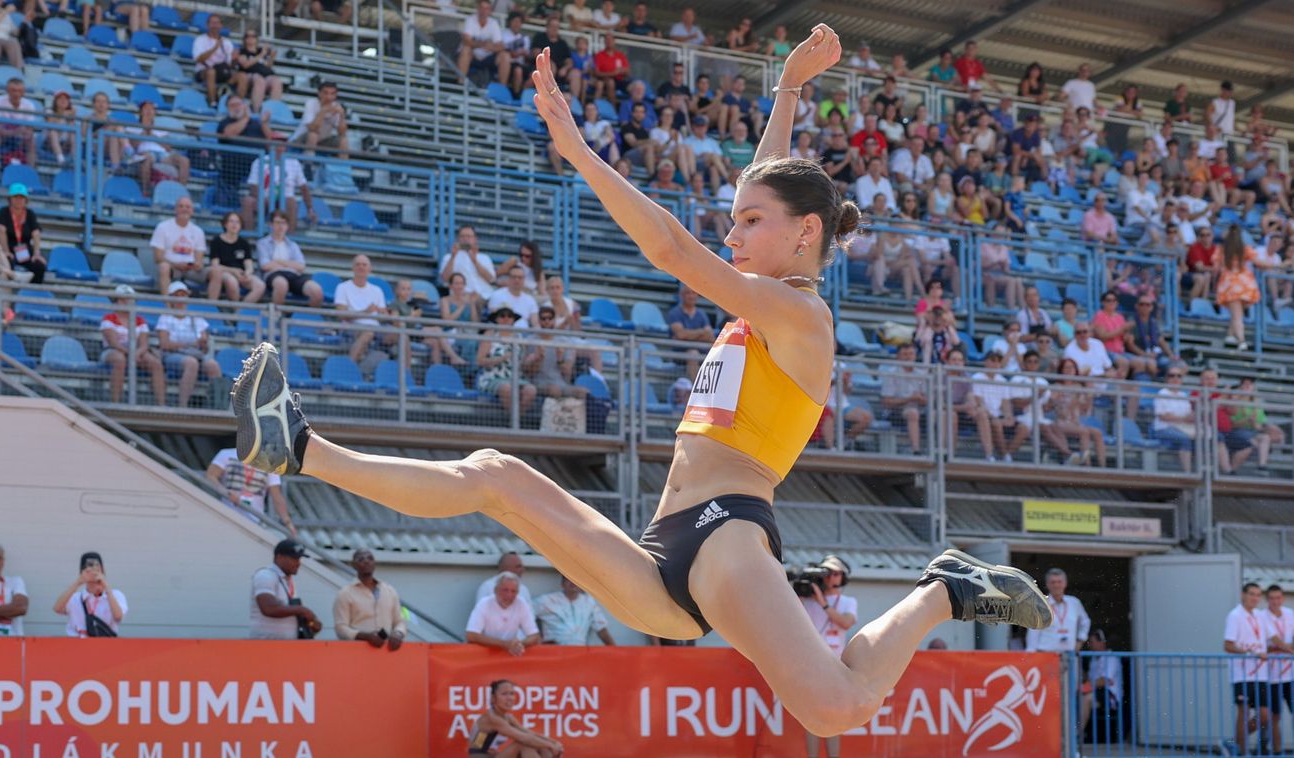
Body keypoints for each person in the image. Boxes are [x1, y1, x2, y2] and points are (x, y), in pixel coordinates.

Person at [228, 27, 1052, 737]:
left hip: (728, 533)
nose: (730, 233)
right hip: (664, 557)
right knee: (494, 478)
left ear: (805, 234)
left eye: (747, 224)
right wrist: (790, 89)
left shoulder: (803, 321)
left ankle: (943, 594)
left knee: (833, 710)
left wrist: (580, 151)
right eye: (731, 221)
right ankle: (297, 447)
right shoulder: (767, 293)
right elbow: (767, 180)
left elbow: (670, 252)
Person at [802, 555, 858, 758]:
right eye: (828, 573)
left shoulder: (848, 601)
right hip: (812, 666)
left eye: (836, 573)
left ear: (843, 577)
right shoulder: (808, 599)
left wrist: (823, 603)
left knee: (834, 717)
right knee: (812, 717)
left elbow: (846, 622)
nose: (831, 577)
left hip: (836, 665)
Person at [157, 281, 223, 407]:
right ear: (171, 298)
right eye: (177, 295)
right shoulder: (165, 318)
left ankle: (217, 406)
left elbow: (203, 345)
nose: (181, 298)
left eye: (183, 294)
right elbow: (165, 344)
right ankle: (183, 406)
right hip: (172, 356)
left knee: (213, 365)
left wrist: (204, 344)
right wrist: (190, 344)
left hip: (194, 354)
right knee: (191, 363)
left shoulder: (196, 318)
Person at [1227, 582, 1273, 756]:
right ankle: (1241, 751)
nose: (1255, 598)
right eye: (1251, 594)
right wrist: (1250, 652)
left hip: (1260, 674)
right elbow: (1228, 645)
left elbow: (1273, 637)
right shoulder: (1235, 615)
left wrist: (1289, 648)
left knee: (1264, 716)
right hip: (1242, 674)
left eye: (1257, 595)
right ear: (1243, 595)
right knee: (1244, 713)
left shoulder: (1260, 615)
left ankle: (1232, 743)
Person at [206, 446, 295, 535]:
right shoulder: (226, 454)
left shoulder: (269, 462)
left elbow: (277, 496)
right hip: (226, 517)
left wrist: (288, 522)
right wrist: (226, 492)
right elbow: (210, 476)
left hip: (254, 521)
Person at [101, 285, 167, 405]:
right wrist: (131, 353)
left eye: (129, 299)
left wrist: (137, 353)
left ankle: (161, 404)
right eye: (123, 299)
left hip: (135, 352)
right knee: (119, 360)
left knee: (155, 364)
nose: (126, 302)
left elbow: (144, 343)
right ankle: (116, 402)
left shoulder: (140, 320)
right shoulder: (108, 318)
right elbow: (113, 343)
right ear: (116, 301)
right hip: (113, 351)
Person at [468, 680, 566, 757]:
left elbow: (529, 733)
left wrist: (553, 742)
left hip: (493, 755)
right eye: (504, 694)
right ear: (493, 698)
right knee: (523, 744)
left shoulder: (507, 717)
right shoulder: (492, 718)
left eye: (512, 694)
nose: (509, 698)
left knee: (541, 746)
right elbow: (523, 738)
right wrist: (550, 745)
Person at [334, 549, 407, 650]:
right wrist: (366, 637)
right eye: (361, 559)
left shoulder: (390, 591)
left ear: (374, 563)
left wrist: (398, 634)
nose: (366, 561)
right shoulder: (345, 593)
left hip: (387, 652)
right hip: (357, 653)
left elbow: (399, 622)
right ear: (353, 565)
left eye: (370, 558)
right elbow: (340, 628)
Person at [250, 538, 322, 640]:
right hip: (265, 647)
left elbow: (290, 612)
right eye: (294, 559)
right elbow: (268, 608)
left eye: (299, 559)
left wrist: (311, 623)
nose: (298, 563)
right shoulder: (265, 575)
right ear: (279, 557)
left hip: (286, 647)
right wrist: (302, 610)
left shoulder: (287, 581)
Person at [243, 138, 316, 233]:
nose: (279, 148)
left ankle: (289, 240)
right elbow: (253, 185)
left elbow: (304, 187)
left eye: (282, 145)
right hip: (263, 199)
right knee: (247, 201)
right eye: (276, 144)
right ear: (269, 147)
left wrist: (310, 208)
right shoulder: (259, 161)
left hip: (285, 200)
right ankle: (249, 236)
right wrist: (263, 197)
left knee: (292, 202)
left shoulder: (294, 163)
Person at [53, 552, 128, 637]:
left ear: (103, 570)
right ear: (82, 571)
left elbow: (118, 617)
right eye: (89, 566)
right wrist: (78, 582)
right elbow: (57, 609)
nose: (93, 570)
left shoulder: (115, 595)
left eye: (97, 566)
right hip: (76, 645)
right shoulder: (75, 598)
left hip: (105, 645)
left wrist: (106, 587)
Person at [257, 211, 324, 306]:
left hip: (293, 275)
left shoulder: (293, 245)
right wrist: (290, 264)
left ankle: (307, 316)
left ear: (287, 226)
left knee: (316, 290)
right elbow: (265, 265)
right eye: (277, 222)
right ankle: (276, 317)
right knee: (281, 285)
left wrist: (279, 261)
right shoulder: (263, 243)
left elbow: (301, 266)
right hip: (273, 274)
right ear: (270, 224)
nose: (281, 226)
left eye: (283, 223)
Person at [468, 572, 541, 655]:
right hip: (486, 654)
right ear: (495, 590)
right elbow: (471, 635)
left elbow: (535, 636)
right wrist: (504, 644)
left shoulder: (521, 603)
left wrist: (519, 644)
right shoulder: (484, 604)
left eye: (513, 591)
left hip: (511, 654)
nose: (509, 595)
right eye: (505, 590)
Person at [1215, 225, 1262, 350]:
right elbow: (1259, 262)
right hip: (1245, 285)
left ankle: (1236, 337)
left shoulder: (1221, 249)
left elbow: (1216, 268)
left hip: (1229, 284)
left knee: (1237, 314)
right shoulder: (1245, 249)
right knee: (1237, 313)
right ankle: (1239, 339)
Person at [534, 575, 616, 645]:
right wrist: (536, 638)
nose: (572, 582)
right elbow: (525, 616)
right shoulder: (546, 600)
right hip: (553, 652)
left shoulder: (589, 602)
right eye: (568, 579)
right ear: (562, 583)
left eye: (575, 579)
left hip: (579, 653)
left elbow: (602, 630)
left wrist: (616, 651)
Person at [152, 196, 208, 294]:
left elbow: (199, 259)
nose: (184, 209)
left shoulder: (198, 231)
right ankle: (167, 304)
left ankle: (212, 307)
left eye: (187, 207)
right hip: (171, 267)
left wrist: (196, 265)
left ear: (192, 211)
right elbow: (158, 257)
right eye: (181, 206)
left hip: (191, 270)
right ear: (175, 209)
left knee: (216, 273)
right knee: (163, 267)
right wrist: (175, 265)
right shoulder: (163, 227)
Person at [1025, 568, 1089, 653]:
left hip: (1069, 656)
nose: (1056, 585)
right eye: (1053, 582)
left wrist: (1080, 641)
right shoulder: (1041, 604)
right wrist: (1031, 654)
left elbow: (1085, 622)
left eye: (1059, 582)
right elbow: (1033, 632)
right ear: (1047, 584)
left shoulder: (1074, 603)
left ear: (1065, 583)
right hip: (1046, 655)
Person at [207, 211, 266, 303]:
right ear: (225, 224)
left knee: (260, 285)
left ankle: (242, 310)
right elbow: (215, 266)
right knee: (232, 282)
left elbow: (249, 265)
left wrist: (247, 273)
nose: (234, 224)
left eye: (237, 222)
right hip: (224, 272)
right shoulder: (217, 241)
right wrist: (233, 271)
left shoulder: (243, 243)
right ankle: (235, 308)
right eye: (231, 221)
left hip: (241, 273)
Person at [0, 183, 45, 284]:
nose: (19, 200)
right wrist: (5, 251)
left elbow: (36, 233)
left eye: (21, 197)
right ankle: (9, 291)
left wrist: (36, 254)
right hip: (8, 248)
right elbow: (0, 229)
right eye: (15, 197)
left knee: (39, 265)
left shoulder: (30, 213)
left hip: (25, 250)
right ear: (10, 199)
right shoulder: (4, 211)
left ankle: (32, 293)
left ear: (26, 200)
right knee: (6, 260)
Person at [1266, 584, 1294, 754]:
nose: (1275, 601)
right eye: (1272, 598)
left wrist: (1282, 648)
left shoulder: (1290, 613)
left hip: (1290, 674)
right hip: (1271, 675)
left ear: (1282, 598)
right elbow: (1272, 641)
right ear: (1267, 599)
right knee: (1272, 716)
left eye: (1278, 598)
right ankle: (1276, 751)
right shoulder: (1262, 616)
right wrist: (1289, 648)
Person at [1081, 629, 1124, 741]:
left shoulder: (1111, 658)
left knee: (1087, 698)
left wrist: (1084, 687)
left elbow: (1104, 681)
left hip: (1110, 696)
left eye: (1092, 642)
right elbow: (1090, 679)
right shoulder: (1094, 659)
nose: (1090, 645)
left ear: (1102, 642)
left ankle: (1077, 733)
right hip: (1097, 692)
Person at [1153, 366, 1196, 472]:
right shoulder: (1162, 393)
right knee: (1185, 439)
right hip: (1163, 429)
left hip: (1181, 427)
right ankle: (1188, 473)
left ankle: (1200, 473)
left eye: (1179, 376)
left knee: (1203, 439)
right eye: (1172, 375)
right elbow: (1163, 417)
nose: (1175, 378)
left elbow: (1188, 415)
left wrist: (1191, 416)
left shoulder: (1184, 395)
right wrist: (1183, 418)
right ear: (1167, 378)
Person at [192, 15, 244, 102]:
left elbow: (230, 65)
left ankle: (238, 103)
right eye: (212, 23)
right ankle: (213, 102)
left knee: (242, 76)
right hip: (204, 71)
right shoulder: (200, 40)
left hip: (222, 72)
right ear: (207, 25)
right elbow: (198, 59)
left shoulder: (227, 42)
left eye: (217, 23)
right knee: (211, 72)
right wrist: (214, 48)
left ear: (221, 25)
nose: (215, 25)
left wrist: (235, 59)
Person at [290, 81, 349, 158]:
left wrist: (342, 116)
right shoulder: (311, 103)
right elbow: (312, 128)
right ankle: (308, 164)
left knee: (343, 140)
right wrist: (323, 111)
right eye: (326, 93)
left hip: (323, 140)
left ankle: (344, 168)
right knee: (313, 134)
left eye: (332, 94)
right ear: (319, 93)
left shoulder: (336, 106)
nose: (329, 97)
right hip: (302, 139)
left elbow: (342, 133)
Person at [440, 224, 497, 301]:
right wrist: (453, 257)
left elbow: (491, 279)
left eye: (469, 236)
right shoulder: (448, 257)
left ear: (475, 239)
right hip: (462, 298)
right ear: (458, 238)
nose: (465, 239)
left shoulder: (484, 257)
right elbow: (444, 279)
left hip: (486, 296)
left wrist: (475, 261)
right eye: (462, 236)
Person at [234, 29, 283, 112]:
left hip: (265, 75)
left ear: (257, 39)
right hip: (249, 75)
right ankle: (256, 110)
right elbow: (245, 65)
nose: (250, 38)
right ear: (244, 39)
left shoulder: (261, 51)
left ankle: (273, 112)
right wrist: (261, 55)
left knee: (277, 81)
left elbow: (268, 67)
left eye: (253, 36)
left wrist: (271, 58)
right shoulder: (241, 51)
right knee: (259, 79)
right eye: (247, 36)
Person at [457, 1, 505, 81]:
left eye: (486, 8)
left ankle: (502, 89)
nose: (484, 11)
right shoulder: (471, 20)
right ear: (478, 9)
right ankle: (461, 83)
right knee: (466, 50)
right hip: (472, 56)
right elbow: (466, 41)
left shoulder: (493, 23)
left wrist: (491, 48)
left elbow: (500, 46)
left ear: (490, 11)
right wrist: (482, 44)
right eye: (482, 8)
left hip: (487, 57)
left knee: (505, 56)